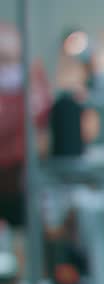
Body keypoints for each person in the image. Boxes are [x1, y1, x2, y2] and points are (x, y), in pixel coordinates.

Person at [0, 22, 52, 227]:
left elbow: (42, 123)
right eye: (2, 60)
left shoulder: (33, 80)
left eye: (13, 60)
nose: (8, 67)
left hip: (24, 183)